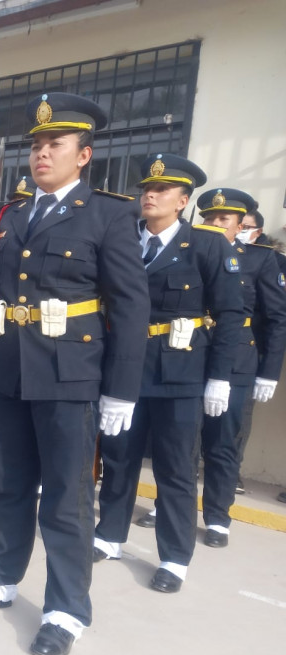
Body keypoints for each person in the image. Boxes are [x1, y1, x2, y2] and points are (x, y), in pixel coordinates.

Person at [0, 93, 150, 655]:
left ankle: (65, 607)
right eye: (36, 146)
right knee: (6, 482)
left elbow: (131, 307)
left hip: (69, 373)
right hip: (7, 367)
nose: (42, 154)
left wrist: (121, 389)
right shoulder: (9, 216)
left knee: (65, 496)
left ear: (83, 155)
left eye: (54, 145)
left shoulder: (109, 214)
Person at [94, 157, 244, 595]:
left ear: (183, 201)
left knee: (175, 468)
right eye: (147, 188)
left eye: (162, 190)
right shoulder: (122, 241)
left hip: (180, 373)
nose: (150, 195)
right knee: (118, 460)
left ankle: (175, 556)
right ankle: (110, 536)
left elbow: (231, 314)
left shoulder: (207, 245)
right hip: (125, 370)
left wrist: (220, 377)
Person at [195, 189, 286, 547]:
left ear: (240, 226)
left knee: (223, 443)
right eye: (209, 219)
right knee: (182, 439)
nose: (215, 225)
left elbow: (277, 320)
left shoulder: (260, 260)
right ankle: (170, 501)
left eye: (224, 220)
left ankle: (218, 515)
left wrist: (268, 371)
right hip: (191, 355)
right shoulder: (190, 253)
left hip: (237, 362)